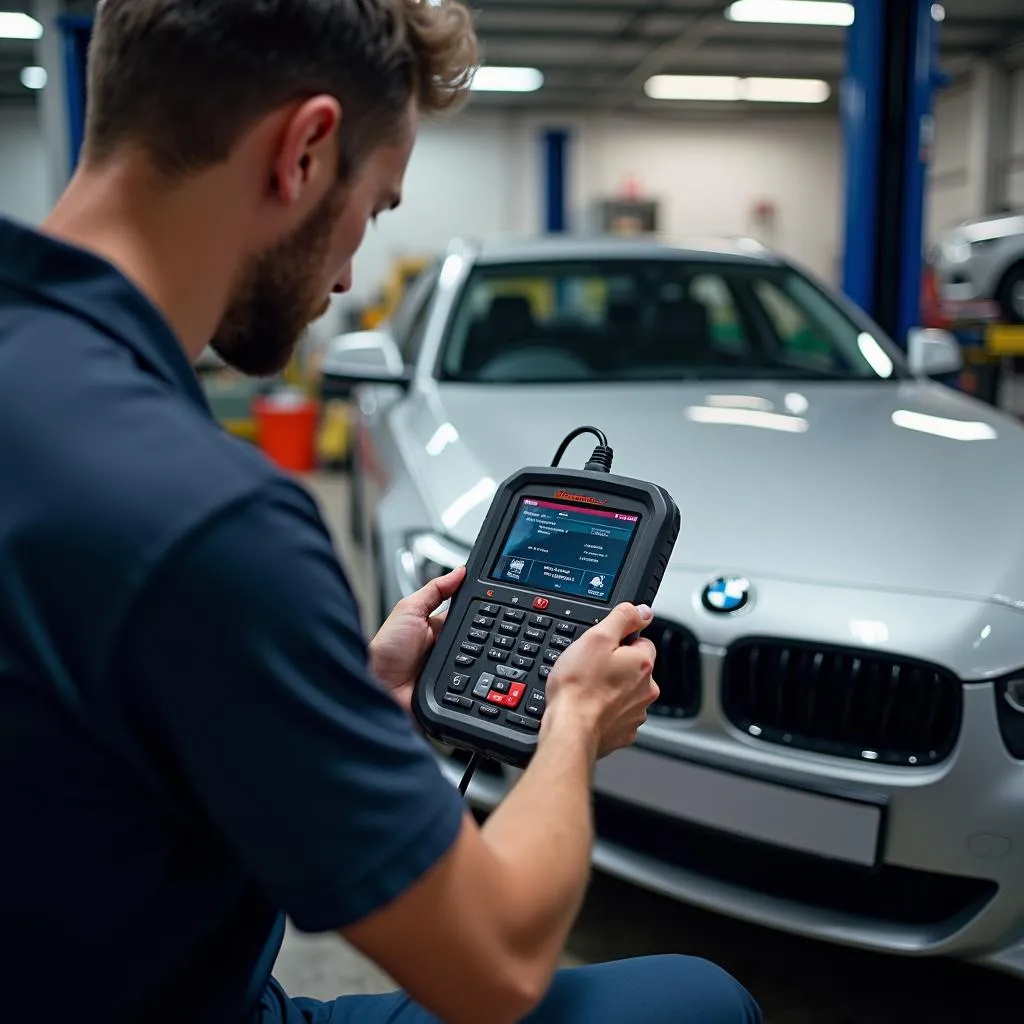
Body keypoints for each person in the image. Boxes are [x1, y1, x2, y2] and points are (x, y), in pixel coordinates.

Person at [0, 2, 762, 1022]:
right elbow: (491, 965)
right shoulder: (208, 517)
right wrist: (573, 717)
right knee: (695, 999)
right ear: (306, 151)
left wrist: (326, 687)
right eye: (377, 206)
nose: (352, 270)